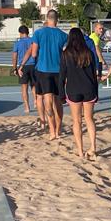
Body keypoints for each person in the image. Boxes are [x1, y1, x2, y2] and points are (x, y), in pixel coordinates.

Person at [60, 27, 99, 159]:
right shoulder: (88, 52)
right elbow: (94, 75)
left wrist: (61, 94)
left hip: (73, 89)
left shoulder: (66, 54)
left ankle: (80, 151)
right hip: (88, 88)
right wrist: (96, 91)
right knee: (89, 119)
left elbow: (62, 75)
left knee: (77, 121)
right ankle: (93, 147)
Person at [29, 9, 68, 140]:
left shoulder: (39, 33)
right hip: (58, 71)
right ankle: (58, 129)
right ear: (57, 19)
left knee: (47, 101)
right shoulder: (63, 35)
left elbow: (34, 53)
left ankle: (51, 131)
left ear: (47, 18)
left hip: (43, 70)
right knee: (58, 101)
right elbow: (65, 54)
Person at [12, 25, 41, 124]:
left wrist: (15, 68)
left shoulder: (17, 43)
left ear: (20, 33)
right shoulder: (33, 40)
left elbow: (14, 56)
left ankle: (27, 107)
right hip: (33, 65)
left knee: (24, 87)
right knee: (34, 85)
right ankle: (36, 101)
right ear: (28, 32)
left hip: (23, 66)